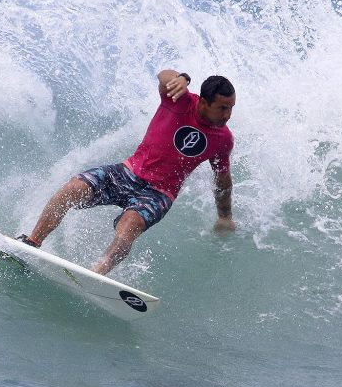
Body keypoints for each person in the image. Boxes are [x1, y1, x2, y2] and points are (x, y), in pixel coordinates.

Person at [18, 70, 236, 276]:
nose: (228, 115)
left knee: (130, 225)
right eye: (223, 108)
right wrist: (180, 78)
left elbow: (222, 180)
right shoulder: (180, 101)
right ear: (205, 102)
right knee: (73, 188)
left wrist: (224, 216)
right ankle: (31, 243)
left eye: (231, 108)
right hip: (127, 172)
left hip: (159, 193)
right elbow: (163, 76)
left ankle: (95, 277)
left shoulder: (222, 139)